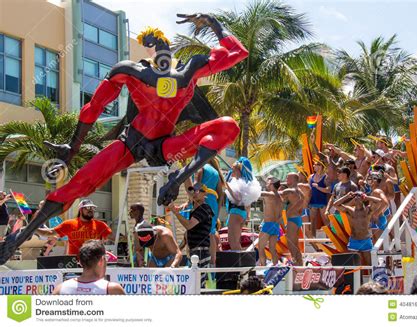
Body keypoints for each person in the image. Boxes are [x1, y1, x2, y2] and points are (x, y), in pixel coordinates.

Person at [0, 13, 249, 265]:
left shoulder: (190, 68)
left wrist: (211, 22)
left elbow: (238, 52)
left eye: (164, 49)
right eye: (157, 49)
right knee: (81, 182)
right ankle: (21, 237)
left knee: (228, 125)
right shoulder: (133, 71)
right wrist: (72, 147)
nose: (161, 54)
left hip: (166, 146)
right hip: (133, 142)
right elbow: (94, 105)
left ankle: (178, 178)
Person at [169, 183, 213, 285]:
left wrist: (176, 213)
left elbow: (189, 225)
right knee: (195, 283)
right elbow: (189, 232)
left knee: (197, 284)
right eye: (193, 191)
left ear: (204, 194)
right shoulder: (197, 209)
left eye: (198, 191)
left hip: (200, 252)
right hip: (196, 252)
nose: (195, 193)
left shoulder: (204, 208)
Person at [36, 199, 112, 256]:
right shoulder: (69, 224)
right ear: (81, 210)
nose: (91, 210)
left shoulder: (101, 225)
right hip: (74, 264)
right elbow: (50, 233)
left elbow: (113, 237)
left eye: (93, 208)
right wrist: (33, 229)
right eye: (88, 208)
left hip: (94, 263)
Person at [53, 240, 125, 295]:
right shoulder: (113, 289)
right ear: (101, 260)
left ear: (80, 262)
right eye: (106, 258)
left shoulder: (59, 289)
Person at [334, 191, 382, 265]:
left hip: (366, 240)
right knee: (355, 265)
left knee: (370, 263)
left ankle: (372, 276)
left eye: (358, 195)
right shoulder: (349, 210)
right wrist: (347, 196)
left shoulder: (367, 210)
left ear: (362, 198)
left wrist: (367, 197)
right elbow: (335, 204)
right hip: (354, 241)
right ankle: (359, 277)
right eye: (355, 196)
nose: (356, 197)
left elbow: (379, 201)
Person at [225, 157, 261, 250]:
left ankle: (240, 263)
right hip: (240, 213)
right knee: (234, 241)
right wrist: (247, 215)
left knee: (233, 241)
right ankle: (240, 262)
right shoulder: (244, 182)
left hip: (236, 213)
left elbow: (238, 200)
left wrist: (227, 187)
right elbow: (247, 203)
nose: (231, 171)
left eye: (233, 169)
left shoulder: (240, 183)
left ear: (238, 171)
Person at [196, 158, 225, 266]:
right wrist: (217, 210)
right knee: (211, 232)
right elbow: (221, 194)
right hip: (213, 203)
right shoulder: (216, 172)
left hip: (203, 201)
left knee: (198, 231)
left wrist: (191, 195)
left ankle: (198, 262)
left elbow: (196, 185)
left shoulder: (201, 168)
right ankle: (212, 263)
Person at [280, 173, 305, 266]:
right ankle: (300, 264)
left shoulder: (290, 190)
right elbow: (303, 202)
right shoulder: (299, 191)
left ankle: (295, 264)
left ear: (294, 179)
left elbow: (276, 195)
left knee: (291, 245)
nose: (286, 178)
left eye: (288, 177)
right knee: (295, 245)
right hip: (297, 219)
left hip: (292, 220)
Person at [258, 177, 282, 266]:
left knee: (260, 248)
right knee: (272, 249)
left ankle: (263, 268)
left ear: (272, 184)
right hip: (276, 225)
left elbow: (259, 193)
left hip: (268, 224)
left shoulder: (269, 194)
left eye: (268, 181)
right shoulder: (280, 196)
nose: (266, 183)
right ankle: (276, 268)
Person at [366, 171, 390, 241]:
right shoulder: (374, 191)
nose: (368, 180)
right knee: (376, 243)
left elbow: (386, 203)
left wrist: (376, 214)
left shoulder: (377, 191)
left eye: (370, 179)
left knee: (379, 244)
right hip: (377, 219)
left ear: (375, 181)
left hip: (378, 219)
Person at [308, 160, 331, 231]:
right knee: (312, 221)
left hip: (322, 202)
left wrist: (318, 187)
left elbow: (329, 190)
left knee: (326, 220)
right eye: (315, 164)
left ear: (322, 167)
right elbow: (309, 190)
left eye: (318, 165)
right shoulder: (310, 177)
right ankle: (312, 240)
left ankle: (330, 239)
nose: (315, 166)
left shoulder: (326, 177)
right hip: (312, 201)